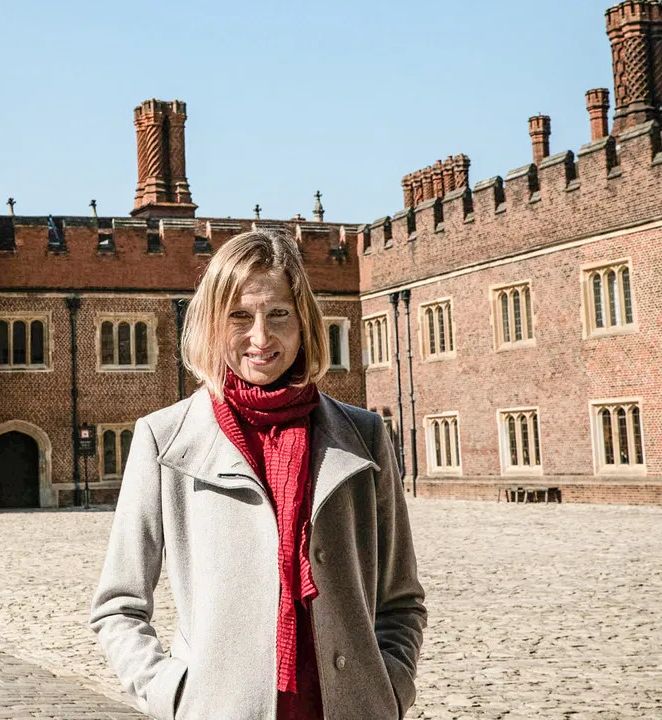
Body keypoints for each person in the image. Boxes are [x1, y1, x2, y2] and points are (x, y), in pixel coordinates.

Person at [89, 230, 426, 720]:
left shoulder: (364, 435)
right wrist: (172, 694)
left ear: (304, 321)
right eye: (240, 317)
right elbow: (118, 605)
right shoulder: (163, 440)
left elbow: (401, 599)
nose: (261, 338)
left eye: (278, 315)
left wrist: (391, 685)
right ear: (211, 325)